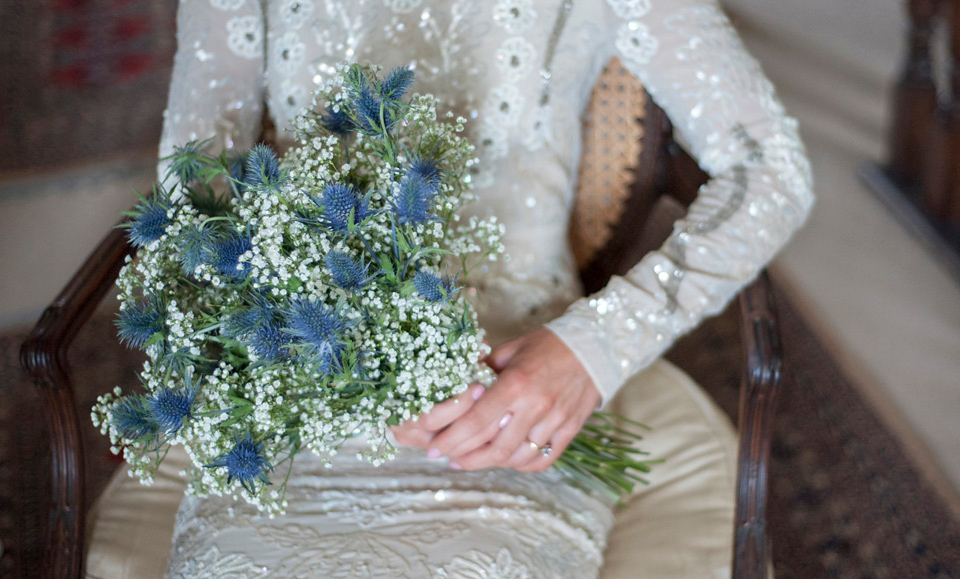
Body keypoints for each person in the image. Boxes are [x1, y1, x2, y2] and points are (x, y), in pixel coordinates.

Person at [105, 0, 814, 576]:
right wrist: (345, 376)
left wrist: (594, 347)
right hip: (298, 390)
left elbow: (771, 169)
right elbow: (199, 204)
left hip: (516, 401)